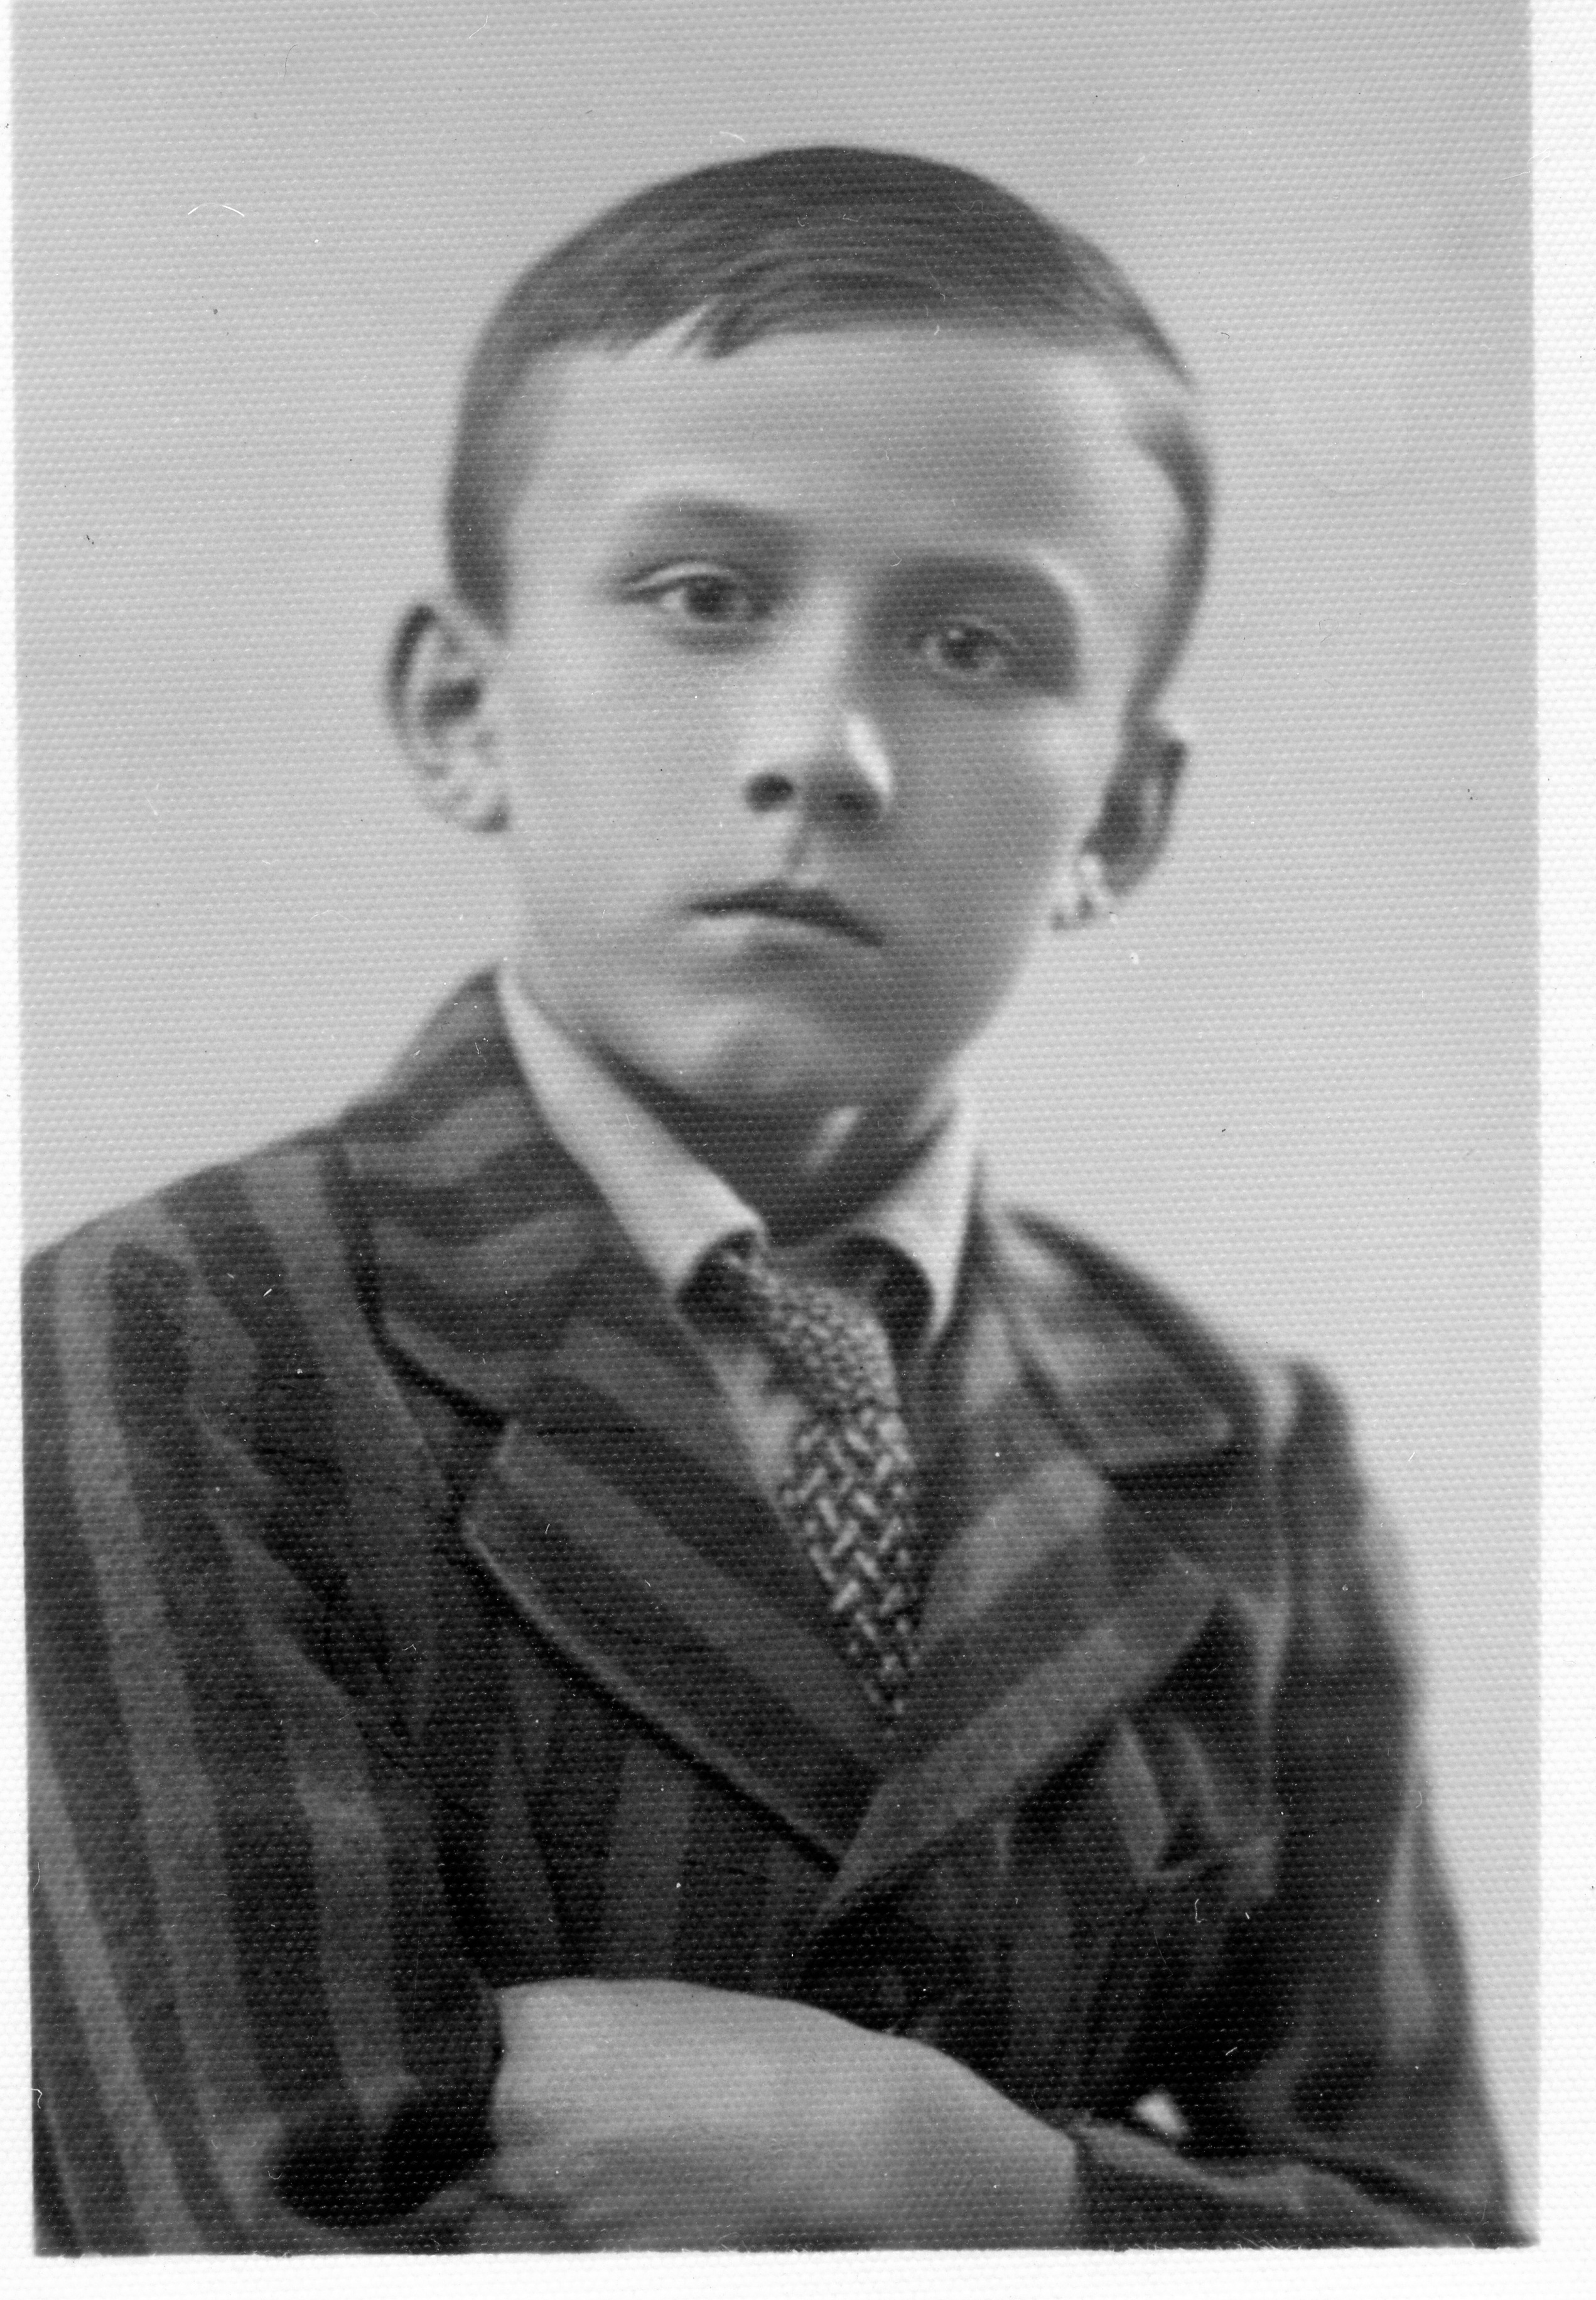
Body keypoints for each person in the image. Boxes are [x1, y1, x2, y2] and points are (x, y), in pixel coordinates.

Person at [25, 144, 1521, 2252]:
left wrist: (968, 2185)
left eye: (974, 643)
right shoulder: (172, 1344)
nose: (826, 747)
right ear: (464, 709)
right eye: (706, 598)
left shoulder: (1251, 1455)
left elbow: (1441, 2249)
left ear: (1121, 816)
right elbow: (242, 2247)